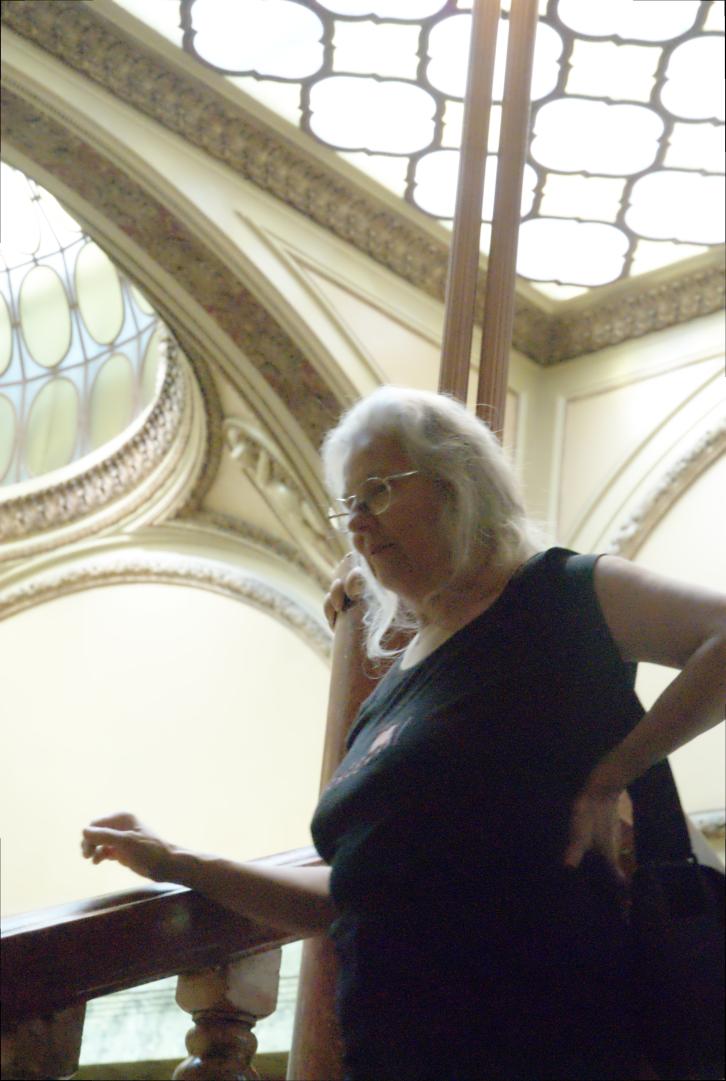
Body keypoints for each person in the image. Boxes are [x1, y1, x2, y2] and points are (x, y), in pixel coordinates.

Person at [82, 386, 726, 1080]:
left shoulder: (563, 594)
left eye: (379, 491)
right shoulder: (391, 688)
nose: (358, 523)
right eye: (348, 505)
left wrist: (615, 773)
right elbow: (354, 893)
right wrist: (182, 862)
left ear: (458, 481)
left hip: (548, 1042)